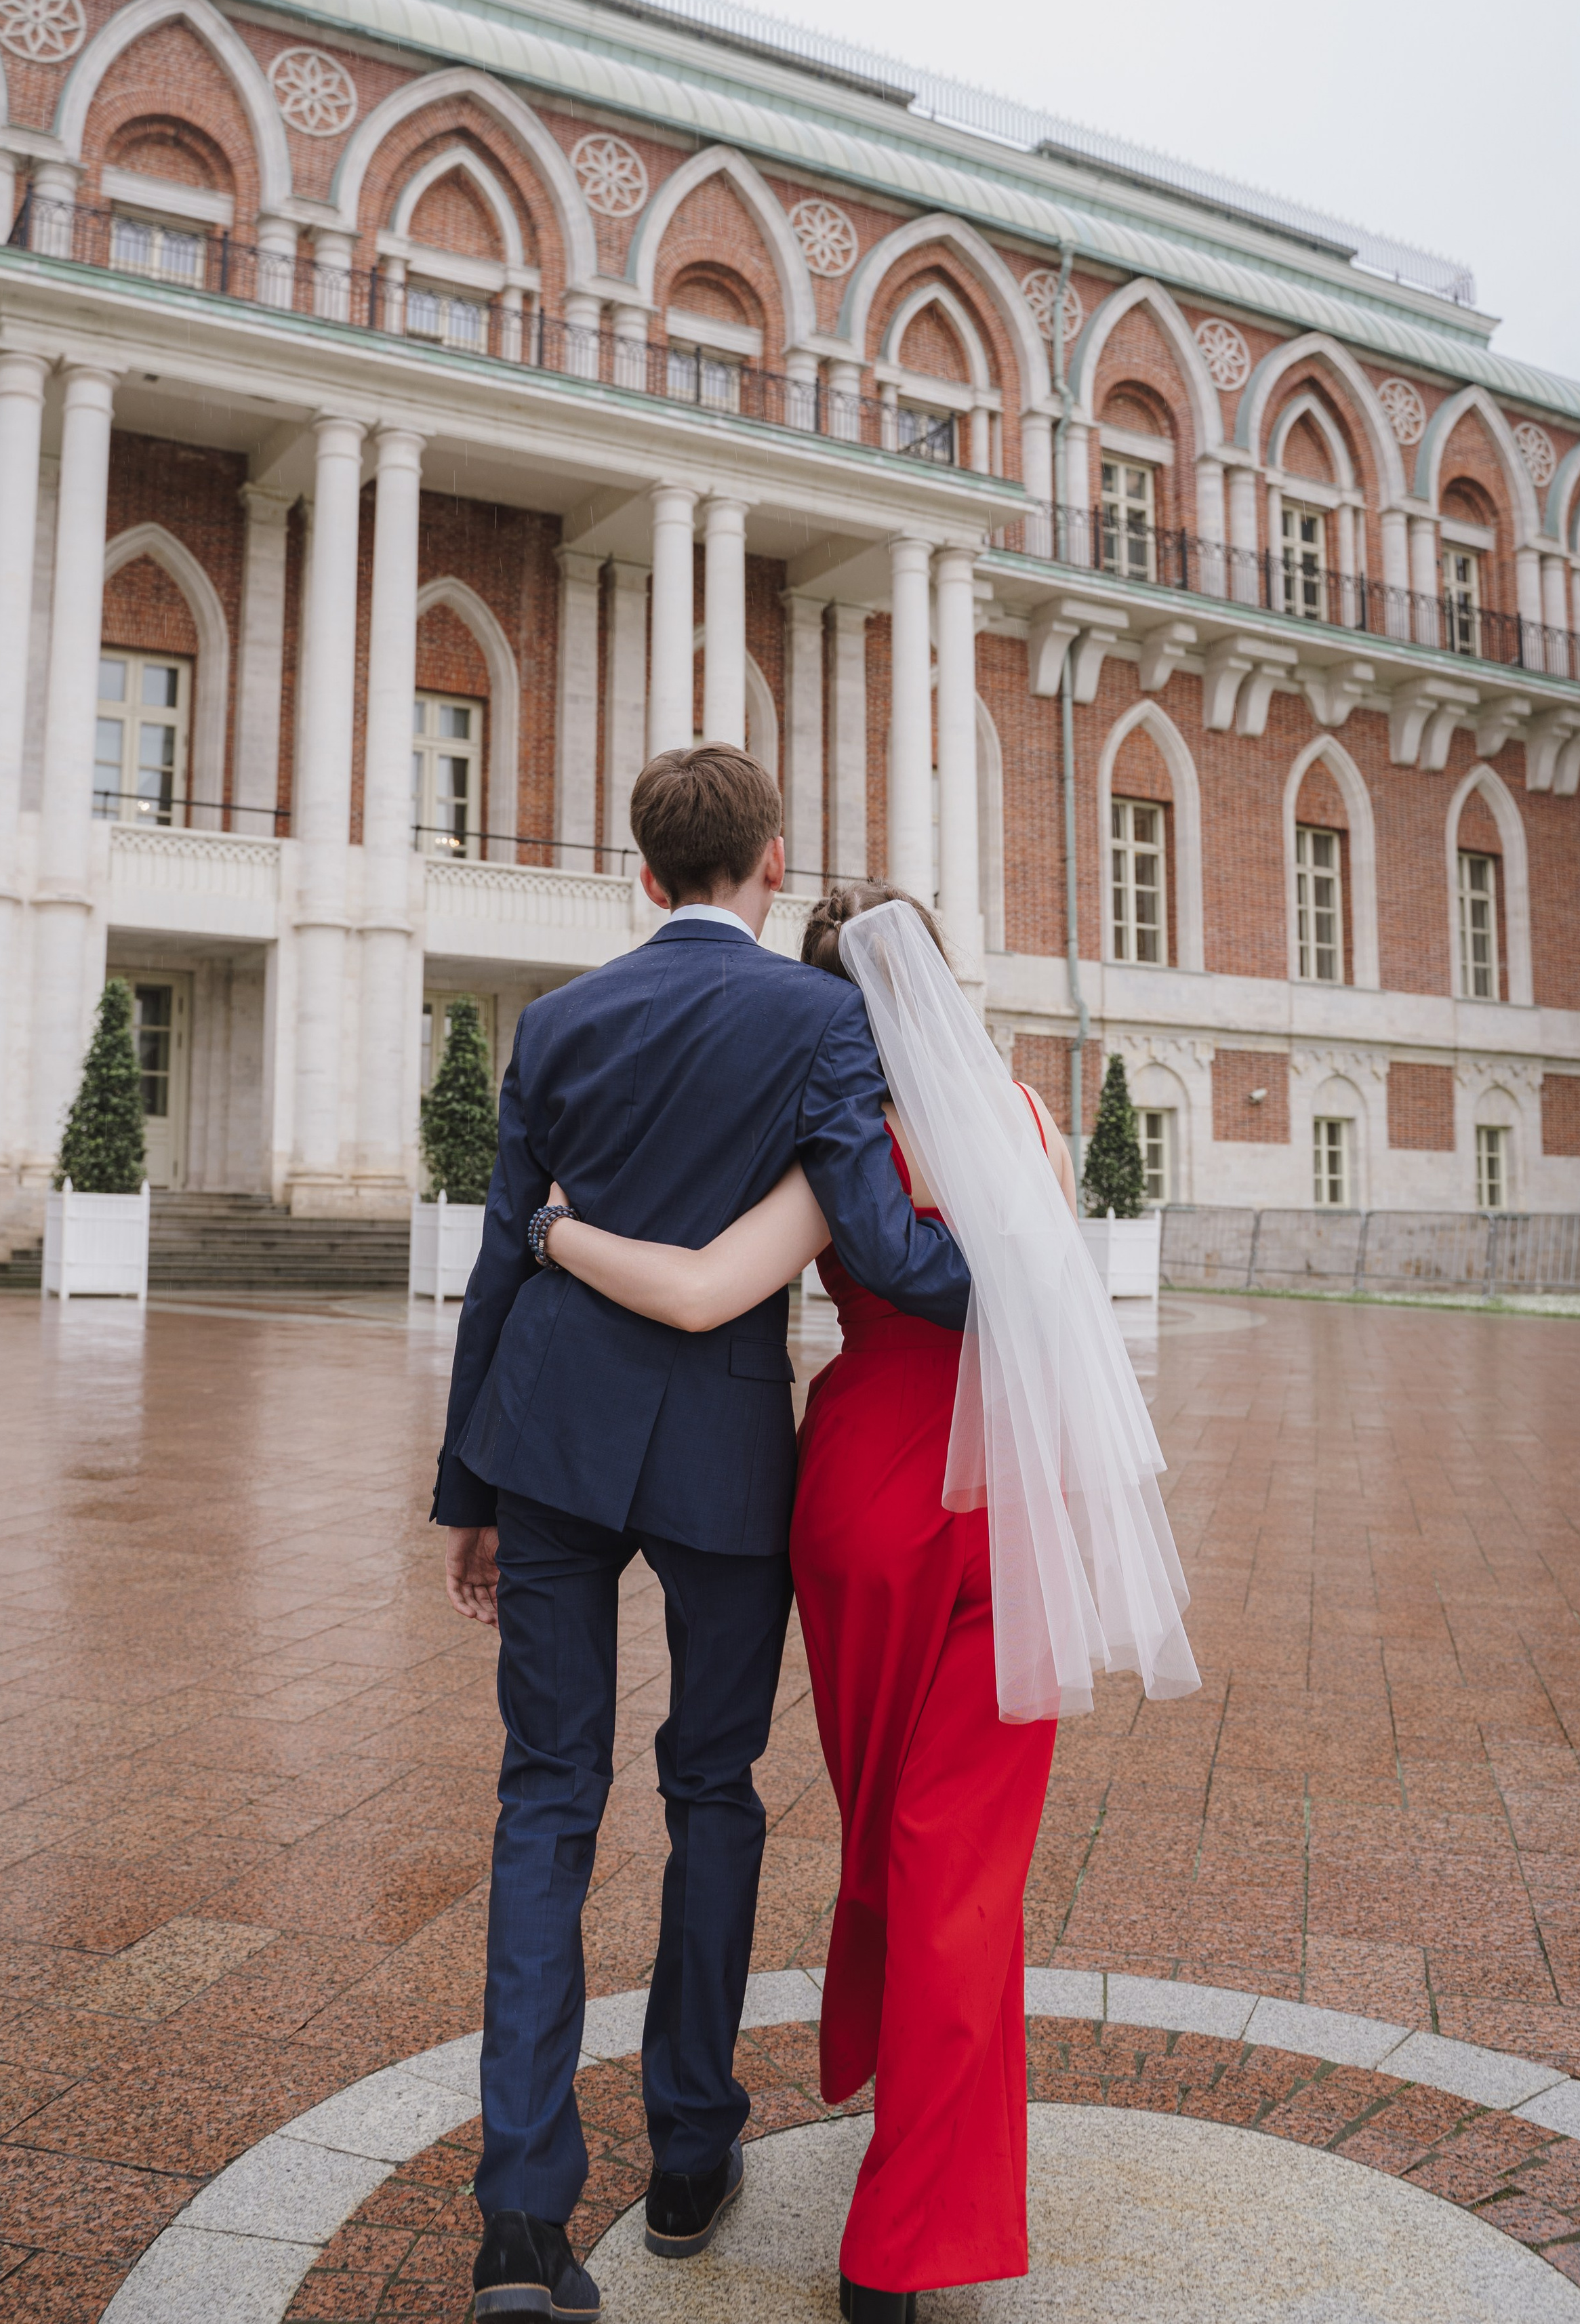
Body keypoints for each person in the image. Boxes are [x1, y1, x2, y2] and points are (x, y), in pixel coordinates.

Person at [537, 884, 1198, 2323]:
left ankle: (889, 2102)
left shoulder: (835, 1152)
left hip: (857, 1509)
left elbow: (709, 1292)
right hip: (1006, 1508)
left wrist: (560, 1238)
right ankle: (898, 2246)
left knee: (887, 1829)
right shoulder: (1021, 1123)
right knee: (959, 1870)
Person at [433, 749, 973, 2323]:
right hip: (725, 1460)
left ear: (645, 876)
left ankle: (522, 2231)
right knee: (710, 1788)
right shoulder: (822, 1019)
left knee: (544, 1802)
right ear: (771, 860)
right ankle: (686, 2155)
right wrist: (1022, 1276)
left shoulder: (556, 1019)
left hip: (541, 1436)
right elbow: (880, 1241)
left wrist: (465, 1488)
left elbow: (497, 1264)